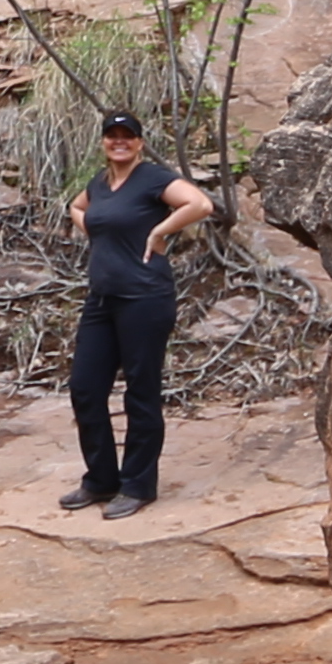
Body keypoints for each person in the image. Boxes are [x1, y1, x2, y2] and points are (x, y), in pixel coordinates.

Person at [62, 107, 214, 517]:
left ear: (140, 141)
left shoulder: (152, 179)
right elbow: (76, 208)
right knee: (85, 388)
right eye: (112, 135)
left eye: (127, 135)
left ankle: (138, 485)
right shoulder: (99, 183)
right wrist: (93, 231)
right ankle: (101, 480)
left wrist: (159, 231)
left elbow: (200, 204)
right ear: (103, 142)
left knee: (140, 392)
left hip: (144, 300)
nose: (119, 141)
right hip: (101, 301)